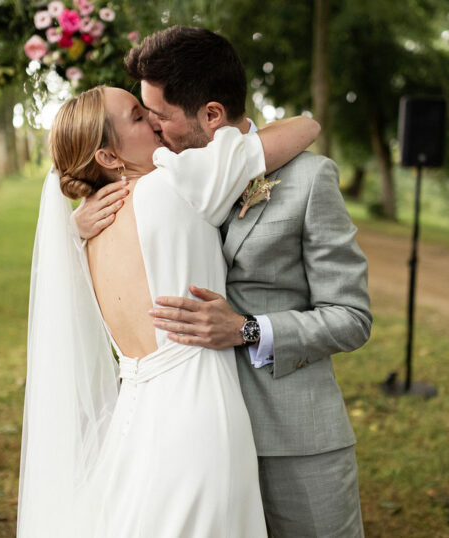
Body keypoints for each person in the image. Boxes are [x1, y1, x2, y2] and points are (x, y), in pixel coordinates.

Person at [74, 26, 372, 537]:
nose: (154, 129)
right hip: (191, 439)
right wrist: (74, 228)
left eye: (159, 117)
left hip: (292, 439)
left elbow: (352, 318)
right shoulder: (158, 182)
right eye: (143, 117)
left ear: (211, 114)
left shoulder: (308, 179)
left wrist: (248, 330)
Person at [17, 82, 320, 536]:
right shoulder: (177, 181)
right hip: (199, 413)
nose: (155, 121)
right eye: (139, 117)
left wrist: (70, 228)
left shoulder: (83, 233)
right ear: (108, 157)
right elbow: (306, 126)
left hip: (134, 418)